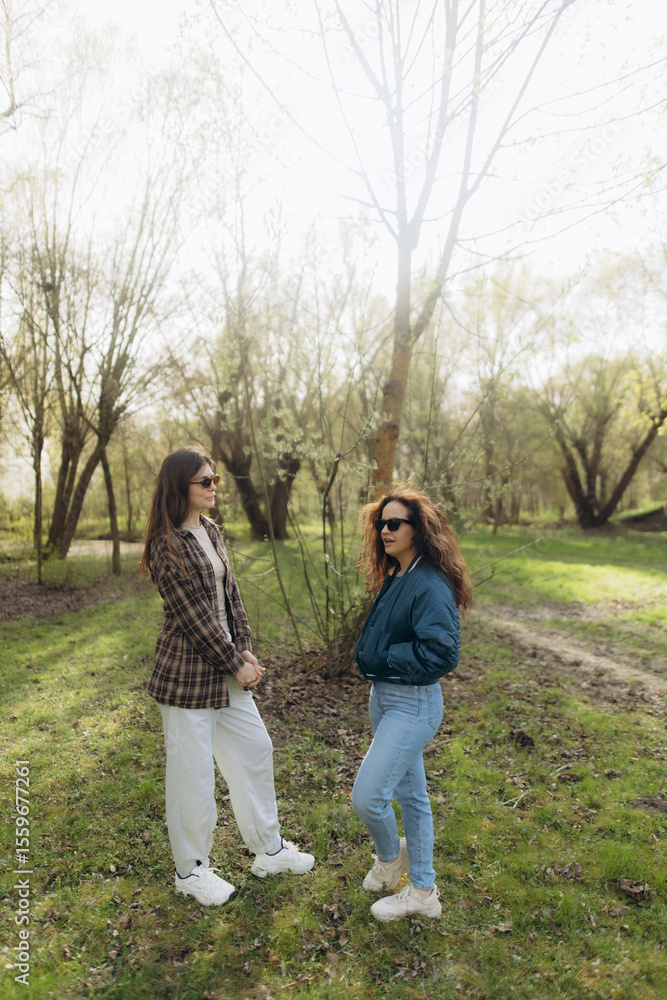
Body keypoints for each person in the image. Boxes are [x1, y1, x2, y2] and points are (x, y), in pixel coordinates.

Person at [140, 446, 314, 906]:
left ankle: (269, 851)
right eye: (206, 481)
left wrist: (246, 647)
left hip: (227, 667)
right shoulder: (165, 544)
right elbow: (193, 617)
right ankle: (191, 871)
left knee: (254, 748)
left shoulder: (211, 530)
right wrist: (235, 662)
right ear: (180, 487)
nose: (214, 487)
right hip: (187, 676)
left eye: (215, 479)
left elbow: (230, 595)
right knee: (193, 775)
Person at [352, 487, 473, 922]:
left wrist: (385, 657)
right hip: (385, 698)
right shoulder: (399, 574)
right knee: (412, 796)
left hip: (413, 702)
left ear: (417, 530)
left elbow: (442, 653)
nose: (385, 530)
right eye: (380, 523)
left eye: (394, 523)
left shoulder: (429, 582)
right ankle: (421, 889)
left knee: (368, 797)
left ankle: (392, 857)